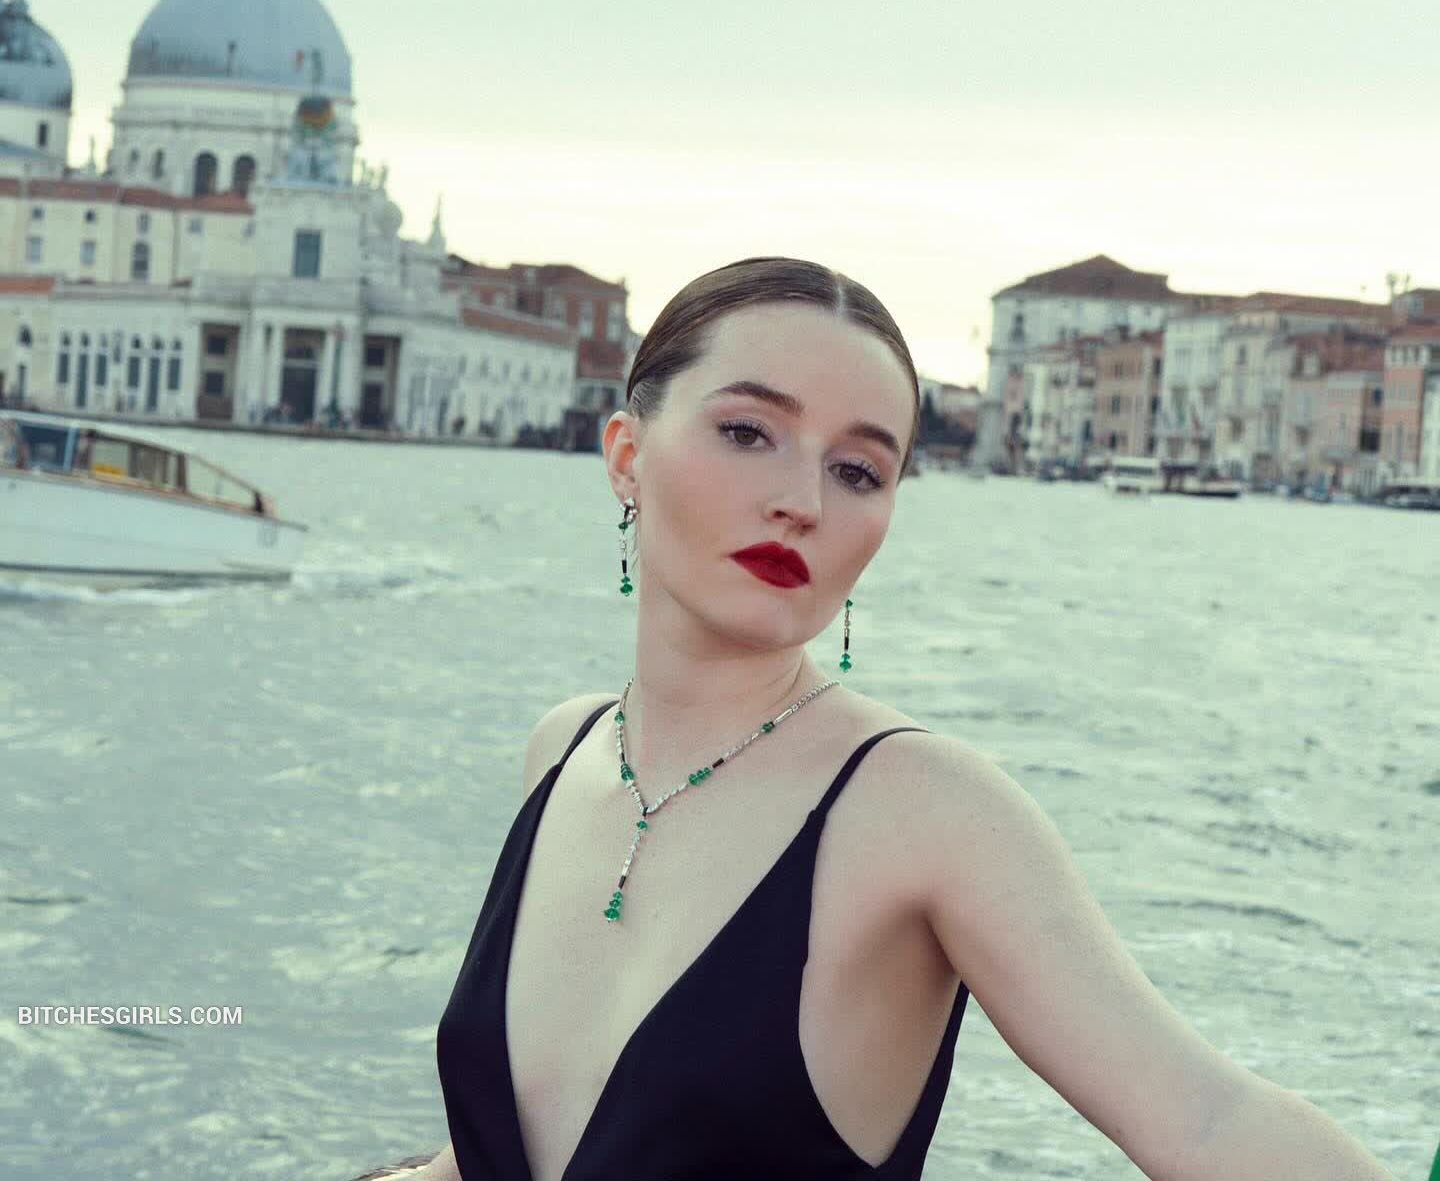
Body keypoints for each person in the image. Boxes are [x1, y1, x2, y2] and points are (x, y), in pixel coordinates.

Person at [377, 257, 1396, 1181]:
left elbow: (1207, 1120)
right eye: (748, 433)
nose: (802, 501)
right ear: (626, 455)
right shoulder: (563, 752)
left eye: (857, 470)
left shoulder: (921, 810)